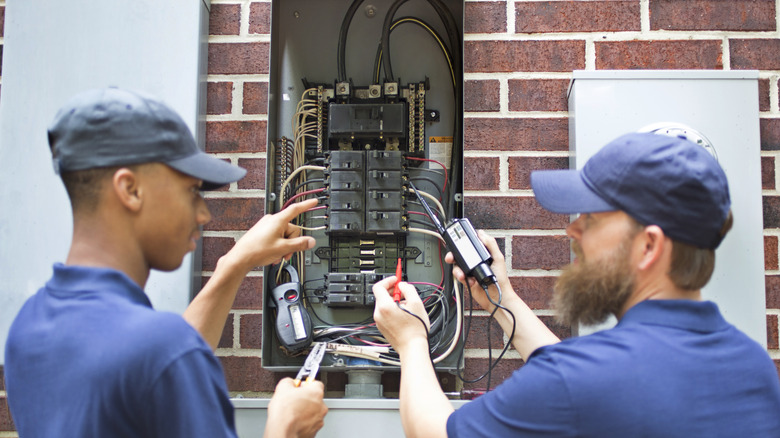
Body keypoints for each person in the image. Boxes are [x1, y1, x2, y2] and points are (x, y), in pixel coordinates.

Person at [372, 132, 780, 437]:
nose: (572, 229)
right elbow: (591, 378)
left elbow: (436, 431)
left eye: (592, 217)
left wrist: (410, 341)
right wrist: (502, 300)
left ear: (649, 245)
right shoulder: (753, 368)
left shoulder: (579, 381)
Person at [4, 87, 328, 438]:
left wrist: (236, 262)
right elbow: (167, 358)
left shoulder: (29, 326)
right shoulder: (164, 351)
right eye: (191, 191)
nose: (203, 213)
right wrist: (286, 427)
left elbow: (158, 367)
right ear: (130, 190)